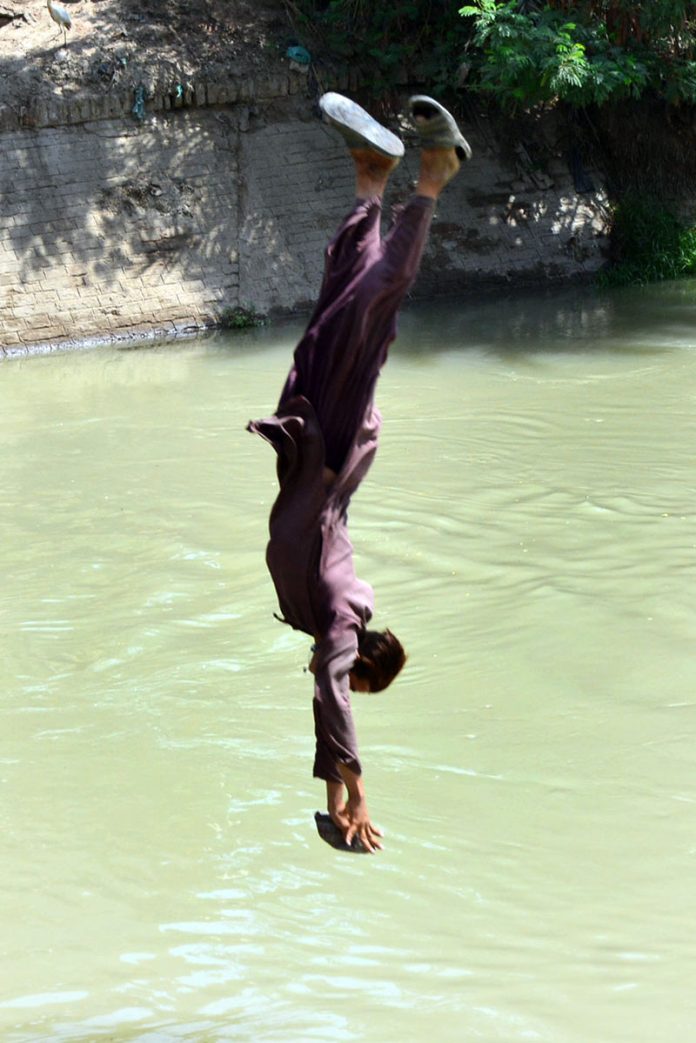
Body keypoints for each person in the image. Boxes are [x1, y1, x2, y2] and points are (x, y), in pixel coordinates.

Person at [248, 92, 471, 853]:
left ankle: (372, 177)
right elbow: (332, 693)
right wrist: (358, 786)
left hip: (311, 438)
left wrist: (335, 790)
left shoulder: (324, 622)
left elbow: (324, 699)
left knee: (337, 297)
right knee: (373, 306)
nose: (342, 682)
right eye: (357, 682)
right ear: (363, 663)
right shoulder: (342, 614)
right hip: (333, 442)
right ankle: (433, 177)